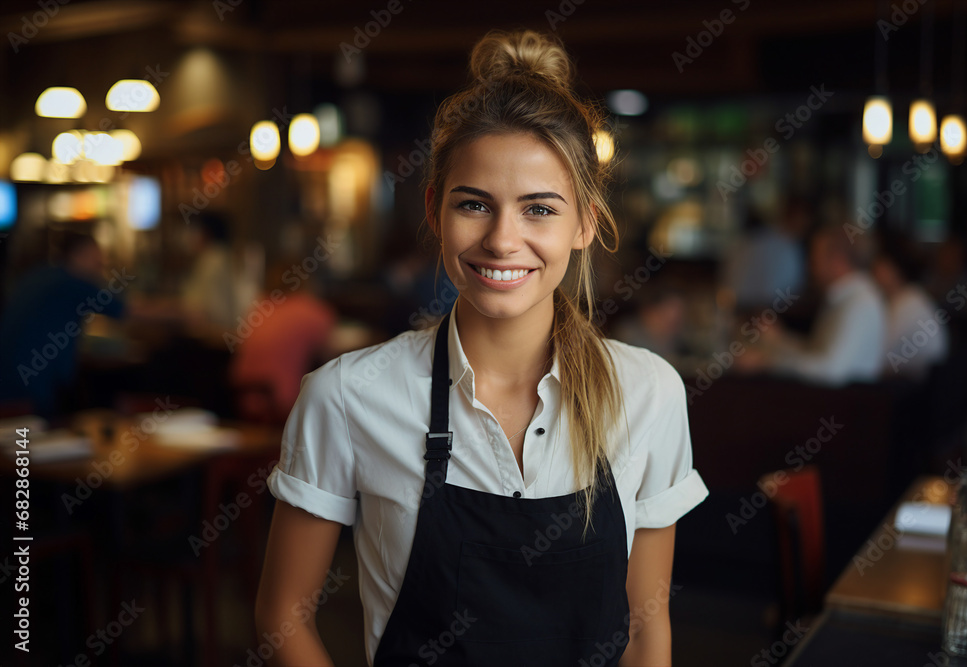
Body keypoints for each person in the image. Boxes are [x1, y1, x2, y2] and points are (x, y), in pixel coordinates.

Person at [255, 28, 708, 667]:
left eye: (539, 210)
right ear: (436, 209)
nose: (502, 239)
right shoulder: (346, 396)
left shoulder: (650, 392)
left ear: (585, 222)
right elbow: (282, 617)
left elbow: (645, 626)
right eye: (475, 204)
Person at [735, 223, 887, 386]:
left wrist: (769, 361)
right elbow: (814, 353)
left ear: (838, 260)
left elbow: (828, 371)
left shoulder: (859, 302)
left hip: (840, 406)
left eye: (815, 257)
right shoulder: (845, 297)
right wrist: (777, 341)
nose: (810, 265)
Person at [0, 232, 126, 419]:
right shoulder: (73, 283)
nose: (99, 270)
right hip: (31, 385)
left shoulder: (38, 274)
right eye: (97, 262)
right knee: (27, 438)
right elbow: (126, 310)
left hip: (9, 379)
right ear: (78, 255)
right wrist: (180, 313)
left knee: (22, 438)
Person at [229, 259, 338, 423]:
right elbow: (331, 357)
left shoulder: (259, 308)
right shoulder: (311, 309)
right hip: (283, 403)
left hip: (243, 399)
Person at [871, 232, 948, 381]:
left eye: (877, 265)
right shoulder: (910, 297)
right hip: (917, 384)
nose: (872, 272)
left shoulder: (907, 304)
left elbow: (879, 356)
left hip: (919, 391)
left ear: (892, 268)